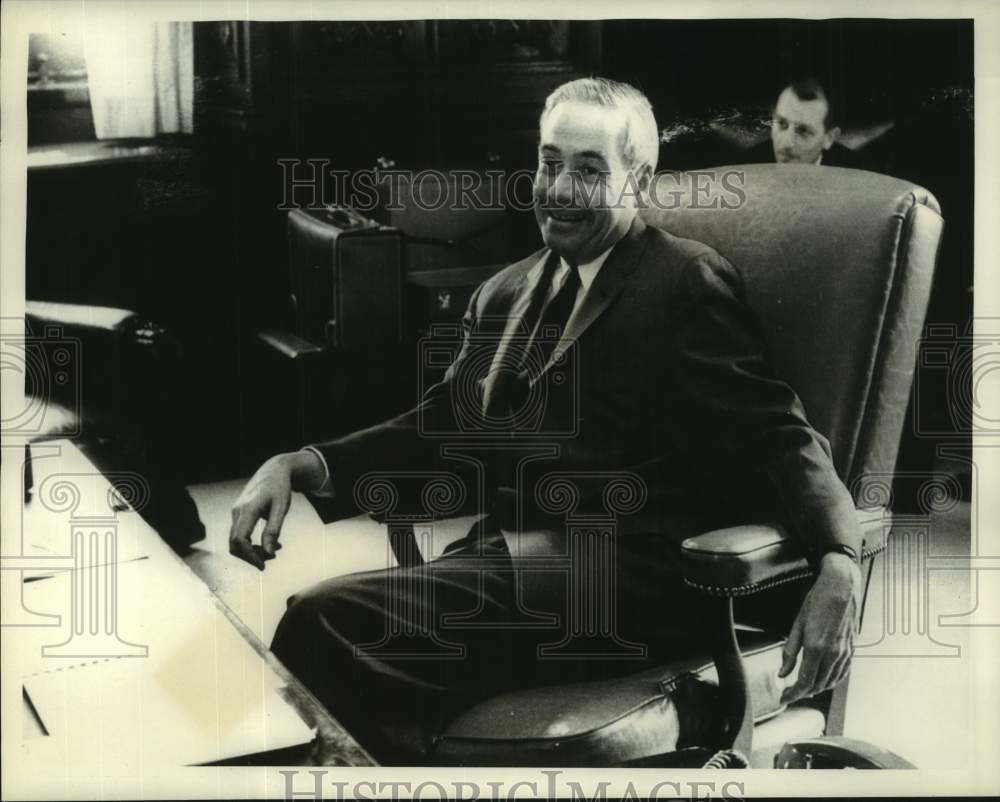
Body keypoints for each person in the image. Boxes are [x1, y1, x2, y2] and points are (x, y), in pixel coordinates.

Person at [229, 77, 864, 763]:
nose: (558, 188)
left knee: (328, 622)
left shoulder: (684, 284)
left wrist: (839, 559)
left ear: (639, 179)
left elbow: (777, 431)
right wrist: (304, 464)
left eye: (589, 170)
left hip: (623, 582)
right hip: (517, 563)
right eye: (549, 161)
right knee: (320, 634)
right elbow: (446, 427)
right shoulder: (507, 291)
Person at [743, 76, 865, 167]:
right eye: (782, 124)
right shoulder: (744, 168)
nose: (786, 143)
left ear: (829, 138)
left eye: (803, 131)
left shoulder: (859, 176)